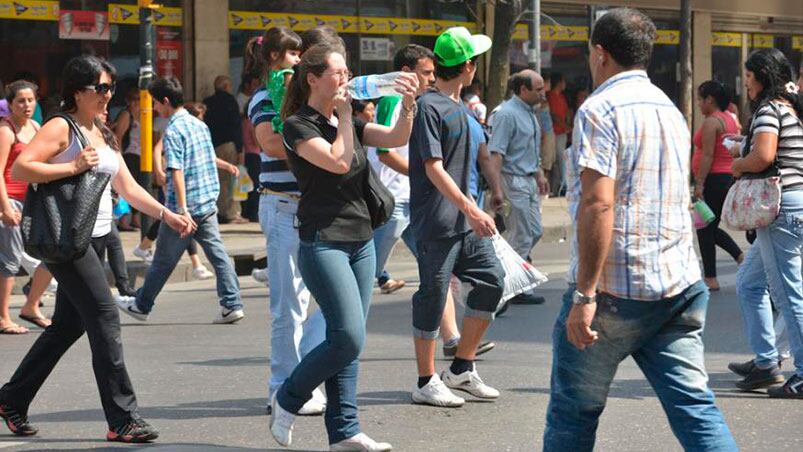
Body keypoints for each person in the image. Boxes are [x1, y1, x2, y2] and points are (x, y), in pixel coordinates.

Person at [543, 9, 737, 451]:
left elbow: (598, 202)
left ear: (600, 54)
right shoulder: (669, 108)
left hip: (616, 291)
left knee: (572, 415)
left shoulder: (598, 109)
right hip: (677, 283)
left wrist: (584, 296)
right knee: (696, 409)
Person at [0, 55, 194, 443]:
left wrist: (166, 214)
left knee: (68, 325)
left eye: (111, 88)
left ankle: (10, 399)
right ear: (78, 91)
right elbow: (22, 169)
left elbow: (127, 188)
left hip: (99, 237)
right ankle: (122, 418)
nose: (108, 95)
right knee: (105, 317)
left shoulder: (101, 131)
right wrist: (71, 168)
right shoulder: (61, 126)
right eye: (101, 88)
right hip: (68, 239)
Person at [269, 42, 418, 451]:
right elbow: (337, 160)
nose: (345, 78)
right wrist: (348, 117)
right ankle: (288, 396)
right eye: (337, 73)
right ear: (313, 79)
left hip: (361, 239)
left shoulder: (343, 119)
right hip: (323, 241)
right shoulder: (298, 126)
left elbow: (394, 136)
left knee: (347, 340)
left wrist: (407, 104)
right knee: (348, 337)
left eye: (347, 71)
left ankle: (344, 431)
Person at [408, 27, 504, 409]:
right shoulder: (428, 106)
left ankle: (462, 367)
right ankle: (425, 380)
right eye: (474, 61)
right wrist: (471, 207)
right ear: (467, 66)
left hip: (466, 222)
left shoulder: (459, 106)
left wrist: (486, 196)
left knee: (492, 281)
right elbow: (433, 167)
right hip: (437, 220)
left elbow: (475, 158)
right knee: (432, 296)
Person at [247, 26, 328, 416]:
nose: (300, 60)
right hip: (282, 206)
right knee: (289, 305)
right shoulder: (265, 97)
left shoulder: (298, 98)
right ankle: (283, 387)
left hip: (310, 206)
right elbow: (270, 143)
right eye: (294, 54)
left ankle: (302, 379)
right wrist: (315, 146)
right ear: (276, 57)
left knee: (324, 301)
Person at [116, 76, 244, 324]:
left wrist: (182, 210)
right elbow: (206, 159)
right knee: (218, 254)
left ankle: (141, 305)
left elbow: (177, 171)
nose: (154, 109)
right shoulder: (199, 125)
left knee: (163, 260)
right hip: (206, 202)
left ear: (165, 102)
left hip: (183, 208)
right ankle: (232, 303)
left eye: (155, 103)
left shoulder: (173, 130)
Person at [731, 48, 803, 398]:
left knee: (789, 295)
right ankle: (766, 362)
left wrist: (739, 164)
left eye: (748, 78)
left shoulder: (770, 110)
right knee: (748, 281)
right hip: (793, 203)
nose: (746, 85)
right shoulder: (794, 108)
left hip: (780, 208)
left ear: (761, 77)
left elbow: (763, 157)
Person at [368, 44, 435, 295]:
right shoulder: (391, 100)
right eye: (426, 72)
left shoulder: (412, 102)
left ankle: (449, 327)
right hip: (392, 198)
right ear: (406, 71)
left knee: (434, 263)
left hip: (409, 195)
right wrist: (420, 175)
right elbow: (385, 153)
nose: (432, 78)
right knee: (365, 270)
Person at [130, 102, 218, 282]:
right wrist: (159, 171)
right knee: (179, 217)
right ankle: (196, 264)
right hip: (173, 173)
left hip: (183, 178)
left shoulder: (192, 128)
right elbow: (157, 149)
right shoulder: (175, 127)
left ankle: (145, 245)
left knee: (175, 218)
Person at [487, 69, 549, 306]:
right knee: (521, 235)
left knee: (534, 232)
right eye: (539, 89)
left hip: (529, 181)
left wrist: (540, 174)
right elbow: (496, 154)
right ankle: (502, 285)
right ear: (523, 90)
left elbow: (530, 149)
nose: (543, 93)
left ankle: (515, 281)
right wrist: (497, 190)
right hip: (512, 181)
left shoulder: (529, 113)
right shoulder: (506, 114)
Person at [0, 80, 53, 334]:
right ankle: (3, 318)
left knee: (51, 252)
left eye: (31, 100)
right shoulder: (6, 130)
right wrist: (5, 209)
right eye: (20, 101)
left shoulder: (35, 127)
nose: (27, 105)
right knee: (9, 260)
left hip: (32, 201)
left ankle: (31, 305)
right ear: (10, 104)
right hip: (9, 200)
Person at [692, 80, 744, 291]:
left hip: (713, 179)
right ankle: (739, 256)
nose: (698, 104)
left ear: (709, 100)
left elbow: (708, 155)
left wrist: (699, 184)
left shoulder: (712, 122)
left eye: (699, 100)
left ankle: (711, 278)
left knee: (704, 227)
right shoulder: (729, 118)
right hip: (725, 178)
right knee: (710, 226)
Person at [203, 75, 247, 224]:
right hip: (229, 144)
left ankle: (220, 210)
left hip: (213, 146)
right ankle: (233, 213)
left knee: (219, 180)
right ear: (227, 87)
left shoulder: (207, 103)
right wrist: (240, 149)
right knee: (232, 178)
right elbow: (236, 126)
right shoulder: (230, 101)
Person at [112, 87, 143, 231]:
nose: (138, 102)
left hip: (140, 156)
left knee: (140, 186)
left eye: (140, 99)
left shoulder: (143, 116)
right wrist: (120, 156)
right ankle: (124, 220)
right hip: (129, 155)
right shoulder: (126, 115)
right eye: (135, 99)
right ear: (129, 101)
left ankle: (135, 219)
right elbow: (118, 136)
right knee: (127, 187)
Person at [547, 72, 570, 197]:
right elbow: (554, 116)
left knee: (561, 159)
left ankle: (559, 185)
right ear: (559, 82)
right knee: (557, 160)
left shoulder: (561, 97)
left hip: (562, 133)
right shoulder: (551, 96)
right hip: (555, 132)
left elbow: (565, 113)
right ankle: (561, 185)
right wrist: (566, 127)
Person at [538, 76, 557, 189]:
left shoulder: (545, 98)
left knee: (549, 159)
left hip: (549, 131)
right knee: (545, 160)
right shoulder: (539, 99)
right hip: (546, 132)